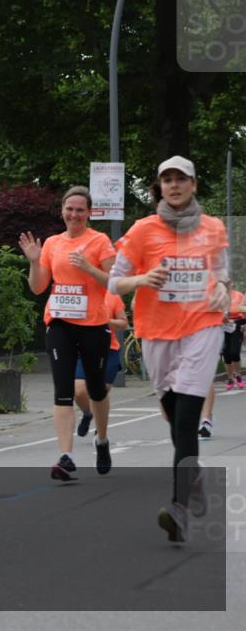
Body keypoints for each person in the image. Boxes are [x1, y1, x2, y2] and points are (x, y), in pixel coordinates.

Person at [109, 155, 231, 542]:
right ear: (159, 187)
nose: (175, 185)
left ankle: (179, 506)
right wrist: (144, 278)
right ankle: (193, 482)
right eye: (168, 180)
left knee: (187, 415)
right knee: (172, 410)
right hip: (157, 332)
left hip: (202, 327)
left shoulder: (213, 228)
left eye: (182, 179)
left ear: (193, 185)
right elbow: (115, 283)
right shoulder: (143, 231)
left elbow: (223, 273)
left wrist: (223, 289)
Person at [19, 186, 116, 480]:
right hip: (60, 322)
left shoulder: (99, 241)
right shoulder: (52, 243)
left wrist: (88, 267)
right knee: (63, 391)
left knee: (96, 390)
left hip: (93, 325)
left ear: (89, 213)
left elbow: (114, 283)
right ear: (62, 210)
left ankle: (101, 440)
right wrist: (35, 261)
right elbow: (38, 288)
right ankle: (66, 456)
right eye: (69, 209)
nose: (73, 214)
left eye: (80, 210)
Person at [75, 292, 129, 441]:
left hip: (108, 349)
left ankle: (100, 431)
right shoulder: (81, 292)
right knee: (78, 390)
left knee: (100, 393)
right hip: (82, 348)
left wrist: (107, 321)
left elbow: (124, 323)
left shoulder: (112, 296)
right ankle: (88, 413)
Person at [200, 286, 245, 437]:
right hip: (189, 331)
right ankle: (231, 376)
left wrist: (225, 313)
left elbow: (228, 308)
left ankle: (206, 419)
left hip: (225, 327)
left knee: (206, 374)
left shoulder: (223, 290)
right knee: (227, 355)